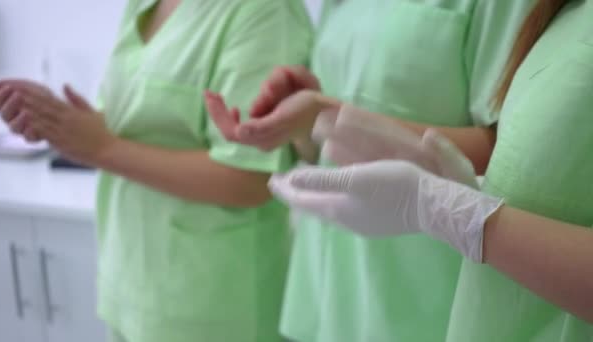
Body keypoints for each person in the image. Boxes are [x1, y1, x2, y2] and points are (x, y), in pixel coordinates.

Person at [246, 0, 593, 340]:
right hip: (331, 286)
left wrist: (447, 208)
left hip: (420, 296)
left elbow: (506, 143)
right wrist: (306, 126)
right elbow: (530, 154)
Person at [0, 1, 312, 341]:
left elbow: (251, 178)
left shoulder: (263, 11)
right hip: (128, 287)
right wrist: (62, 124)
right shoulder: (143, 6)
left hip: (212, 306)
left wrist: (101, 148)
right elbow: (133, 128)